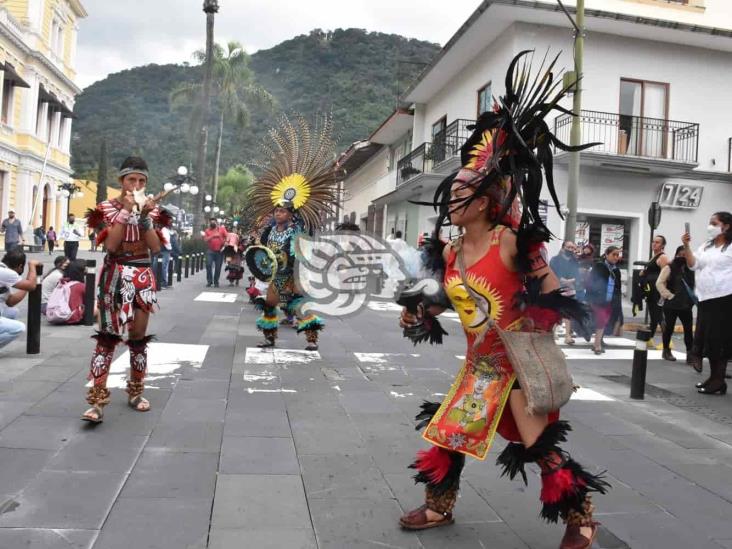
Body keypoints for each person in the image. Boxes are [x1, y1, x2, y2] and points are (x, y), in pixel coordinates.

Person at [396, 52, 607, 548]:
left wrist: (533, 323)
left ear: (489, 202)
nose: (451, 198)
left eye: (462, 192)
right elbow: (454, 300)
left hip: (514, 366)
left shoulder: (510, 243)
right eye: (452, 191)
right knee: (449, 436)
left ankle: (582, 520)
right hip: (478, 368)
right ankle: (437, 508)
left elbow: (552, 294)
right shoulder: (449, 251)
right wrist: (423, 311)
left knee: (540, 450)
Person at [81, 156, 172, 423]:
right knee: (108, 335)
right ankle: (97, 401)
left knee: (138, 336)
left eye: (142, 180)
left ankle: (135, 392)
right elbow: (110, 246)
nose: (137, 184)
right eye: (132, 179)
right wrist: (125, 212)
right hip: (115, 274)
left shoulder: (153, 211)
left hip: (142, 273)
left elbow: (155, 248)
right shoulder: (105, 209)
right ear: (121, 181)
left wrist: (144, 218)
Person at [246, 113, 339, 352]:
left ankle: (312, 340)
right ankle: (269, 338)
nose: (278, 214)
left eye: (283, 212)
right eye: (276, 211)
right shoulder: (269, 231)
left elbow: (302, 257)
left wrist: (299, 280)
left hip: (292, 276)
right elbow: (262, 252)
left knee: (299, 307)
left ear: (291, 214)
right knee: (269, 306)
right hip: (276, 276)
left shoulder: (297, 232)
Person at [682, 211, 732, 395]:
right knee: (707, 340)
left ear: (725, 226)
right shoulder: (706, 246)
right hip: (705, 298)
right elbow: (693, 264)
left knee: (719, 340)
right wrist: (686, 245)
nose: (710, 226)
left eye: (714, 223)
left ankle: (718, 380)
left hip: (724, 299)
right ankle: (714, 378)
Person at [656, 245, 696, 363]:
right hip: (671, 305)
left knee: (688, 330)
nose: (683, 257)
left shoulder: (691, 268)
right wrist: (669, 295)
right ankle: (666, 350)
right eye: (681, 255)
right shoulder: (670, 267)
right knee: (669, 328)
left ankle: (690, 353)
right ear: (676, 254)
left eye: (686, 255)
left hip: (686, 305)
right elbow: (659, 283)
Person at [586, 246, 623, 355]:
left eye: (617, 255)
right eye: (613, 255)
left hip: (610, 300)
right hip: (597, 299)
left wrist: (617, 302)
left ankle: (598, 342)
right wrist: (589, 297)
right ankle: (597, 345)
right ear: (606, 255)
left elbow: (618, 287)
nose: (616, 257)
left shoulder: (616, 270)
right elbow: (590, 281)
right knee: (601, 320)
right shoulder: (599, 266)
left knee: (604, 321)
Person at [0, 249, 39, 348]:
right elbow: (31, 286)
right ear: (20, 266)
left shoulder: (4, 273)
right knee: (19, 328)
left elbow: (10, 301)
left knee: (13, 312)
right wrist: (32, 266)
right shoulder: (7, 273)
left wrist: (26, 285)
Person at [640, 235, 670, 347]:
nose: (654, 244)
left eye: (657, 242)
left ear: (662, 245)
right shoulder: (654, 256)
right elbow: (653, 272)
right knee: (654, 316)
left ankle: (667, 342)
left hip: (658, 292)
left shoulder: (663, 257)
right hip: (651, 292)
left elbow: (666, 275)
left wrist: (663, 293)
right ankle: (649, 339)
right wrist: (644, 273)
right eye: (653, 241)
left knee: (659, 316)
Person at [550, 241, 580, 344]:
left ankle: (567, 335)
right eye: (569, 247)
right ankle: (553, 332)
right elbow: (553, 273)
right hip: (557, 289)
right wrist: (562, 280)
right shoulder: (555, 260)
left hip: (570, 289)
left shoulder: (574, 261)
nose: (571, 249)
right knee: (556, 312)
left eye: (572, 248)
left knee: (568, 313)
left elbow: (577, 274)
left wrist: (571, 281)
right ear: (563, 248)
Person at [45, 259, 86, 325]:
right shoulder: (80, 285)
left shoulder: (62, 282)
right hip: (71, 316)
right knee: (96, 307)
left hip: (54, 313)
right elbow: (90, 301)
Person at [203, 219, 227, 287]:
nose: (212, 223)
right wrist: (213, 236)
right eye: (211, 222)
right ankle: (209, 281)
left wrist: (225, 242)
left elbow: (227, 236)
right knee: (208, 265)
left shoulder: (222, 229)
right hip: (210, 251)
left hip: (220, 251)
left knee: (218, 267)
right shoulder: (207, 230)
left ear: (216, 223)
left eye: (214, 222)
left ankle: (216, 281)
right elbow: (205, 240)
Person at [159, 223, 172, 289]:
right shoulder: (164, 230)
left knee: (162, 266)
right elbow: (166, 241)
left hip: (162, 250)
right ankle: (163, 282)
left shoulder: (163, 230)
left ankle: (162, 282)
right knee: (164, 266)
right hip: (164, 250)